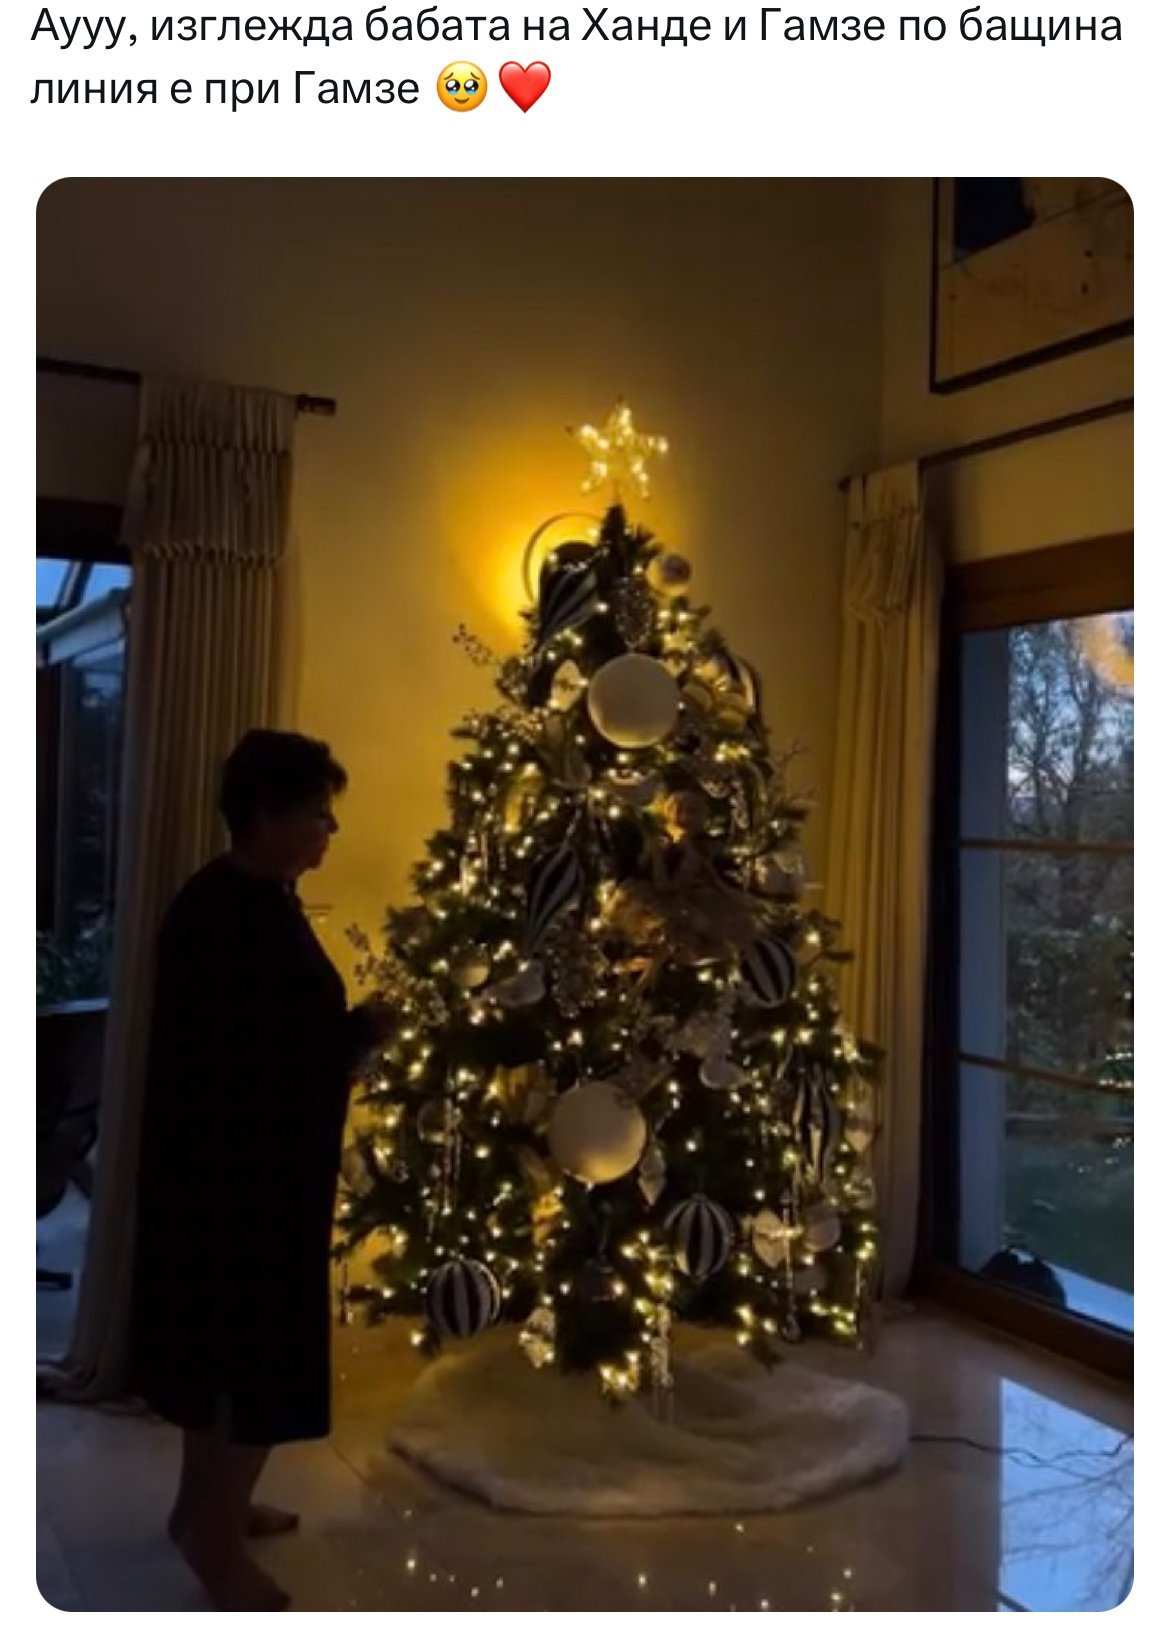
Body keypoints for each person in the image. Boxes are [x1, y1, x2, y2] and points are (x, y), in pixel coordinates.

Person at [130, 730, 394, 1611]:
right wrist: (362, 1033)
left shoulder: (248, 898)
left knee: (221, 1359)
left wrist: (349, 1034)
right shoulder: (228, 917)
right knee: (256, 1362)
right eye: (318, 813)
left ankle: (205, 1509)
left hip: (238, 1175)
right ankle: (212, 1540)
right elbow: (266, 1062)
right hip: (244, 1187)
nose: (329, 830)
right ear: (268, 815)